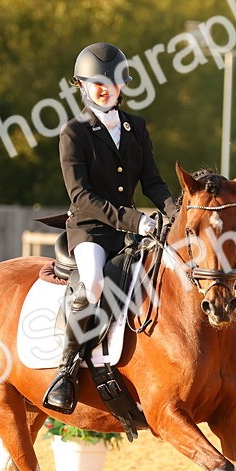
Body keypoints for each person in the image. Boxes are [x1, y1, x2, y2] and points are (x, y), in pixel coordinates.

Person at [42, 42, 179, 414]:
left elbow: (152, 181)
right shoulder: (74, 132)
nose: (104, 89)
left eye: (112, 82)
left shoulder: (137, 127)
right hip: (89, 231)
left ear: (122, 85)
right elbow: (81, 196)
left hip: (129, 234)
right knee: (95, 283)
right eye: (95, 83)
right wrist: (138, 220)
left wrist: (175, 212)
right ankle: (66, 370)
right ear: (81, 86)